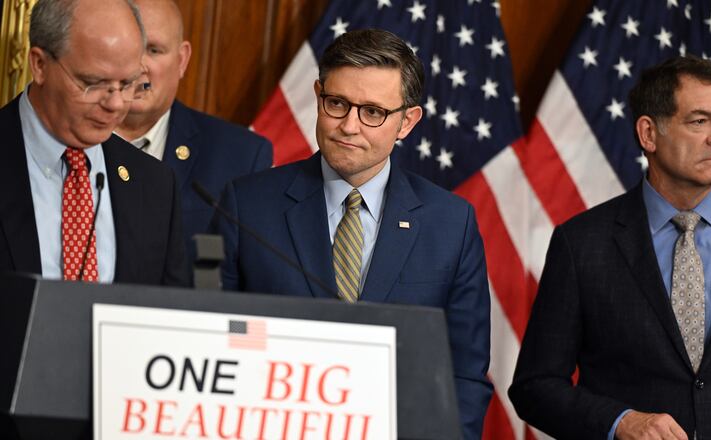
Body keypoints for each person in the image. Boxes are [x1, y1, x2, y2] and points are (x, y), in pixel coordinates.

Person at [214, 29, 492, 438]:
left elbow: (464, 374)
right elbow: (217, 337)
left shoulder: (451, 224)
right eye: (337, 103)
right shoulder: (248, 206)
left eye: (373, 112)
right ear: (318, 95)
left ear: (406, 122)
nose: (349, 126)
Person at [508, 55, 711, 439]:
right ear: (649, 134)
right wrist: (619, 421)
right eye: (699, 121)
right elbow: (535, 387)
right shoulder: (583, 243)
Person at [0, 0, 188, 286]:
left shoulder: (155, 184)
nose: (114, 103)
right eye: (94, 83)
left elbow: (169, 314)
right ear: (39, 65)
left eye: (127, 84)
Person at [115, 0, 272, 263]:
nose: (138, 65)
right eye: (126, 48)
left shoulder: (241, 158)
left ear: (182, 60)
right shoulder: (66, 137)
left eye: (153, 50)